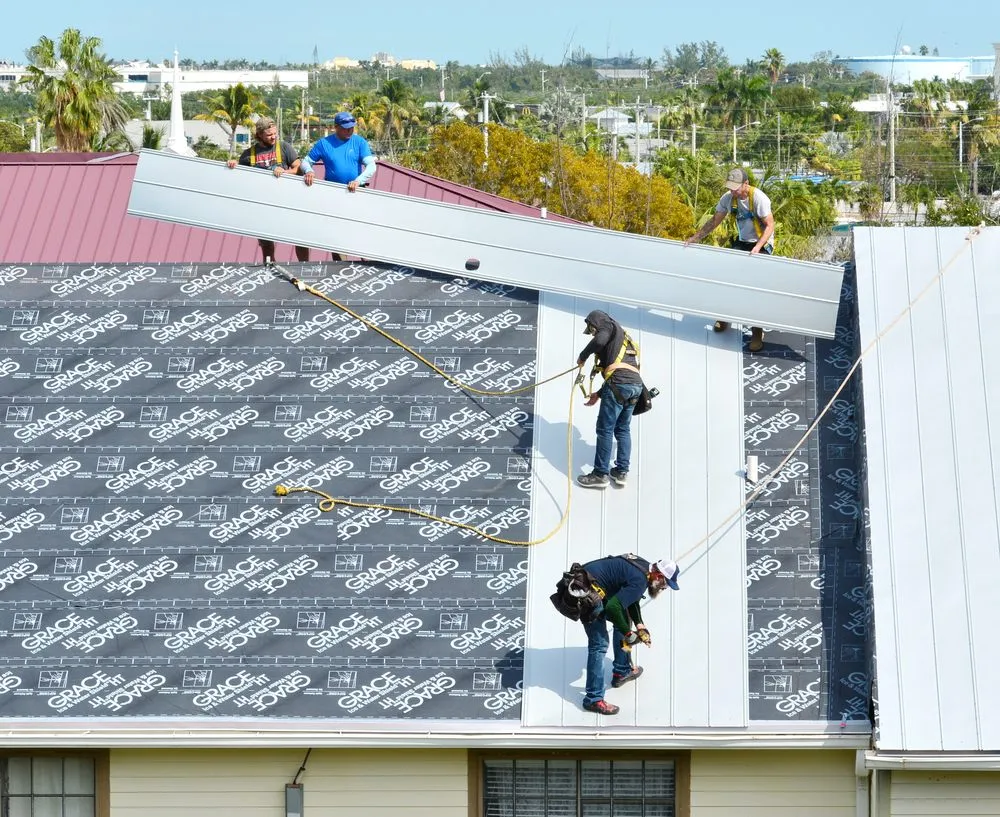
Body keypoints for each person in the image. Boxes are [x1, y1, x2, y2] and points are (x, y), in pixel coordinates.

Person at [684, 167, 776, 352]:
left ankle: (757, 331)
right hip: (743, 242)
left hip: (761, 244)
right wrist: (696, 238)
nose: (733, 191)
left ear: (746, 184)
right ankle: (725, 317)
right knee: (728, 280)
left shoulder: (759, 198)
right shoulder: (728, 199)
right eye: (731, 187)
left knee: (753, 289)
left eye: (736, 187)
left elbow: (770, 225)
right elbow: (714, 221)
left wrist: (758, 248)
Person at [579, 554, 680, 715]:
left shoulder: (643, 567)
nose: (663, 588)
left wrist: (640, 625)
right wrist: (628, 633)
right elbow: (613, 607)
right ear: (659, 576)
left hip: (593, 586)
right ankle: (593, 699)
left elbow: (630, 599)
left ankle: (622, 671)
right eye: (665, 585)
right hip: (585, 595)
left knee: (623, 618)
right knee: (599, 645)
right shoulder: (641, 580)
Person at [576, 310, 645, 489]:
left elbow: (599, 341)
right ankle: (621, 471)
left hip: (619, 383)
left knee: (605, 429)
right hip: (635, 386)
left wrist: (583, 356)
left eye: (592, 330)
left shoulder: (607, 324)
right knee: (623, 429)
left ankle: (600, 474)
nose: (593, 334)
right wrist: (599, 394)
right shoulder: (623, 336)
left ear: (595, 322)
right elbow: (621, 370)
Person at [227, 117, 310, 263]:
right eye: (269, 135)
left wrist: (285, 172)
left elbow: (299, 168)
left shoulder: (284, 147)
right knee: (266, 242)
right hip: (263, 205)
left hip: (286, 201)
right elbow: (239, 178)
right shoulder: (248, 155)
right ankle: (269, 267)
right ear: (259, 135)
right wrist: (233, 165)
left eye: (274, 133)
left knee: (299, 236)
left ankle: (305, 266)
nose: (273, 137)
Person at [301, 111, 377, 260]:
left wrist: (358, 181)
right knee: (337, 232)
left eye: (352, 127)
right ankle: (341, 266)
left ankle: (368, 263)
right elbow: (306, 162)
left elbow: (371, 166)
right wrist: (309, 171)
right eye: (345, 127)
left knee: (362, 229)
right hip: (334, 195)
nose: (350, 130)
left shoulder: (359, 142)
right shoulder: (324, 143)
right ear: (336, 127)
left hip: (356, 191)